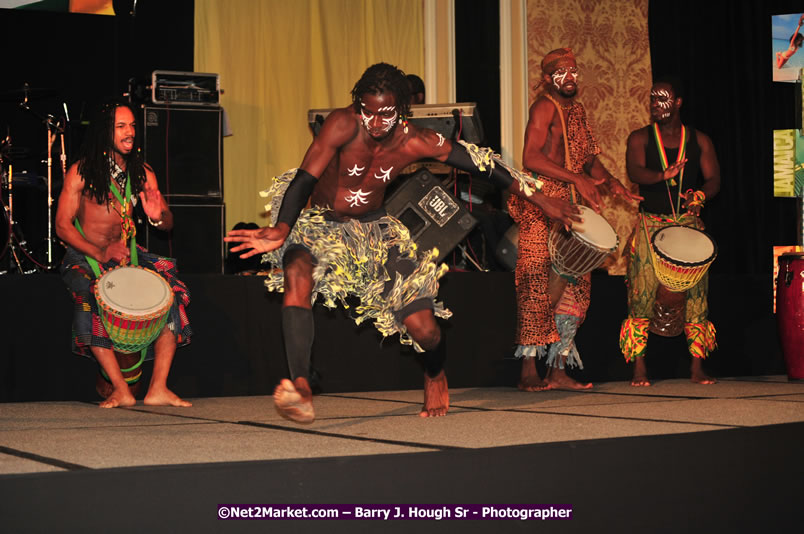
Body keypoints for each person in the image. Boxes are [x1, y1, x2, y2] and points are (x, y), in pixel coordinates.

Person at [225, 62, 581, 424]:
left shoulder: (417, 140)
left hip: (374, 232)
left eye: (386, 113)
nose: (376, 121)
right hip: (321, 224)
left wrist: (540, 198)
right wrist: (283, 227)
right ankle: (300, 385)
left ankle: (435, 373)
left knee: (425, 329)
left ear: (404, 109)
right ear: (357, 106)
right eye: (368, 112)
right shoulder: (342, 124)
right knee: (297, 273)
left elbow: (483, 165)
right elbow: (304, 178)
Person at [509, 47, 641, 392]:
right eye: (562, 73)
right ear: (547, 78)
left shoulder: (577, 111)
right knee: (537, 284)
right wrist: (575, 178)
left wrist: (613, 184)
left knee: (576, 291)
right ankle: (528, 370)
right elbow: (530, 157)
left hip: (571, 201)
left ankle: (558, 369)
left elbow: (588, 161)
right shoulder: (543, 107)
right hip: (543, 202)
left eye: (574, 72)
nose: (569, 78)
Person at [55, 99, 192, 408]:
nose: (129, 132)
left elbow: (166, 222)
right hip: (85, 256)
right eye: (121, 127)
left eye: (132, 126)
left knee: (172, 293)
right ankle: (121, 389)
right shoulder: (82, 172)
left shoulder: (142, 173)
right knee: (88, 296)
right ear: (106, 132)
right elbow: (62, 227)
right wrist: (99, 252)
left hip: (128, 256)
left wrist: (158, 216)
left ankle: (158, 387)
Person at [620, 77, 720, 386]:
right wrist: (663, 174)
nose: (655, 105)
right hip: (652, 225)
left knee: (697, 296)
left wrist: (699, 196)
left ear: (677, 103)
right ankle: (639, 368)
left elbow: (714, 178)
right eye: (652, 99)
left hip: (688, 226)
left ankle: (697, 367)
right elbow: (634, 171)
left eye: (662, 99)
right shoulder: (639, 138)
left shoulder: (699, 139)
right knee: (641, 295)